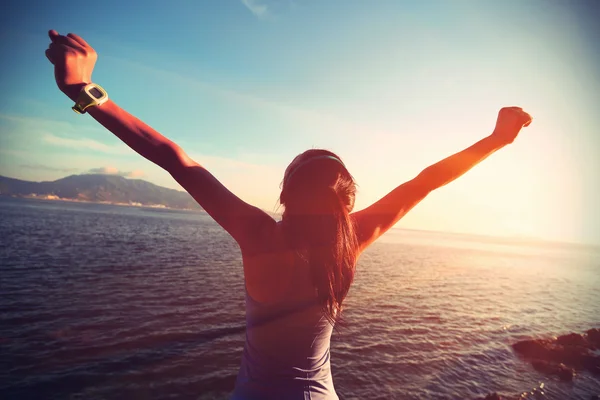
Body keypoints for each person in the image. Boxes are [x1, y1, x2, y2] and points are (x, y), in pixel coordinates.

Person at [45, 30, 533, 400]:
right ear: (348, 201)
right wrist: (496, 140)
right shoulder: (353, 238)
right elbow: (425, 181)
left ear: (285, 194)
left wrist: (84, 89)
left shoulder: (258, 235)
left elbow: (174, 158)